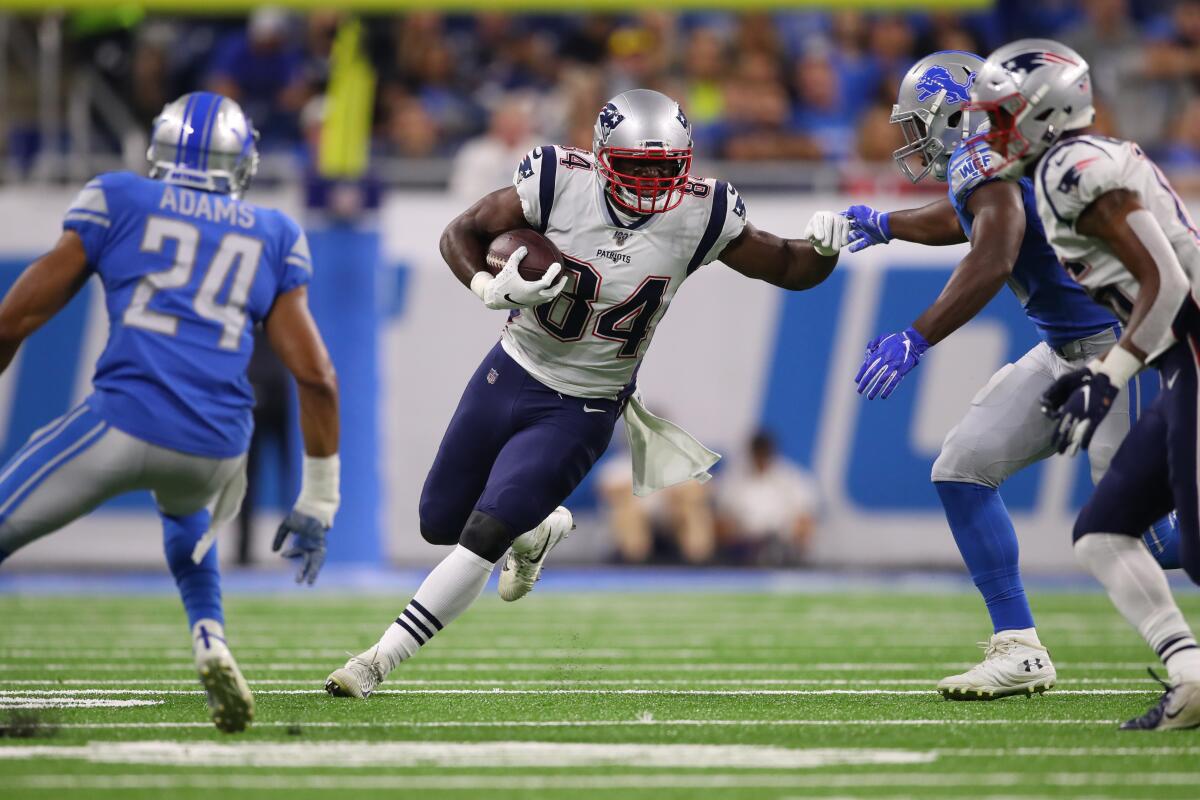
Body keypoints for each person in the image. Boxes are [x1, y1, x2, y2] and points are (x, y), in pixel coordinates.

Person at [324, 88, 849, 699]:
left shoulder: (701, 213)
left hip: (585, 403)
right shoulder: (557, 182)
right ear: (601, 158)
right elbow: (460, 232)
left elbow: (787, 266)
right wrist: (484, 286)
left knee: (482, 536)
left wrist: (826, 251)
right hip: (512, 368)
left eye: (665, 171)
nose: (652, 187)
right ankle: (536, 527)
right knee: (438, 522)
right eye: (636, 169)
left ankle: (376, 661)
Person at [832, 50, 1180, 700]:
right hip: (1067, 348)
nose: (912, 139)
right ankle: (1019, 649)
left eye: (919, 123)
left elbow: (993, 254)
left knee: (1149, 537)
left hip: (1117, 347)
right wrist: (889, 225)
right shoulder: (990, 161)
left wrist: (917, 335)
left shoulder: (991, 159)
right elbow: (972, 216)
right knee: (962, 468)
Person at [0, 92, 341, 733]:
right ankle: (209, 635)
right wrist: (320, 499)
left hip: (122, 421)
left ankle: (210, 634)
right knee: (187, 520)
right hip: (217, 449)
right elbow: (317, 377)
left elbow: (15, 318)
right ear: (240, 163)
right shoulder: (272, 232)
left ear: (159, 150)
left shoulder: (121, 198)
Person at [969, 38, 1200, 730]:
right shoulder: (1063, 166)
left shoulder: (1071, 167)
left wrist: (1106, 377)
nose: (991, 132)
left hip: (1192, 350)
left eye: (1001, 116)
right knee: (1103, 531)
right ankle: (1190, 675)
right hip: (1179, 361)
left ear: (1043, 113)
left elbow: (1170, 284)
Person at [715, 431, 820, 566]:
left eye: (764, 454)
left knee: (804, 524)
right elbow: (723, 512)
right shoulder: (734, 477)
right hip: (744, 537)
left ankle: (795, 564)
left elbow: (805, 508)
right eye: (758, 454)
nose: (761, 459)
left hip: (781, 536)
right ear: (751, 453)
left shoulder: (789, 475)